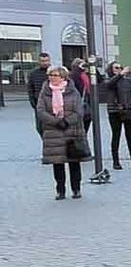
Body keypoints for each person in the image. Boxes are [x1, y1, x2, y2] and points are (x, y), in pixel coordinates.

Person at [38, 65, 91, 199]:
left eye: (55, 75)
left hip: (71, 130)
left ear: (63, 77)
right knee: (58, 163)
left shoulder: (73, 92)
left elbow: (79, 111)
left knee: (74, 161)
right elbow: (41, 111)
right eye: (50, 75)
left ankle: (76, 189)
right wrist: (56, 121)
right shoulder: (45, 92)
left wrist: (67, 121)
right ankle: (60, 190)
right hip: (53, 131)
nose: (52, 78)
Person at [99, 61, 131, 170]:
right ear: (111, 69)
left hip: (129, 110)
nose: (119, 69)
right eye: (116, 68)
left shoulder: (128, 80)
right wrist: (120, 75)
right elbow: (110, 84)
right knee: (116, 135)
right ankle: (116, 162)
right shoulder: (109, 80)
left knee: (130, 136)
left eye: (120, 67)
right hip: (114, 111)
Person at [27, 52, 51, 135]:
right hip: (39, 104)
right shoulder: (34, 74)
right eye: (42, 61)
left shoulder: (54, 72)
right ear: (39, 61)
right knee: (40, 127)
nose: (45, 63)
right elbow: (30, 88)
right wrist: (32, 101)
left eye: (46, 61)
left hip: (52, 103)